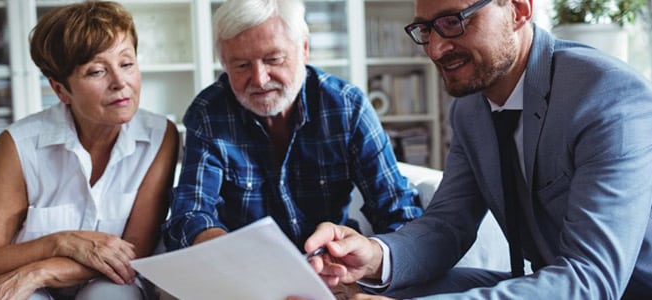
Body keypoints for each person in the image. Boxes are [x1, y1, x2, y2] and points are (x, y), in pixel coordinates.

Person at [297, 0, 652, 299]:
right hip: (549, 283)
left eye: (454, 22)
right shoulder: (470, 109)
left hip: (623, 289)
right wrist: (374, 257)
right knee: (377, 289)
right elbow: (447, 225)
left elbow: (594, 279)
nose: (436, 49)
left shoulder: (606, 95)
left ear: (518, 9)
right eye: (426, 29)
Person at [0, 2, 179, 299]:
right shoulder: (21, 144)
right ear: (60, 90)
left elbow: (134, 254)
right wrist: (57, 242)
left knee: (109, 295)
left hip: (113, 282)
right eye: (96, 71)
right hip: (35, 292)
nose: (120, 83)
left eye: (126, 63)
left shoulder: (161, 136)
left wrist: (40, 270)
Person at [163, 0, 422, 252]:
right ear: (224, 64)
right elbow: (190, 213)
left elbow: (398, 209)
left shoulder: (347, 107)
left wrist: (369, 264)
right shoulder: (208, 113)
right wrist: (223, 248)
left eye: (273, 59)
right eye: (241, 65)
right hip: (243, 268)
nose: (260, 79)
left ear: (305, 49)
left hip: (330, 263)